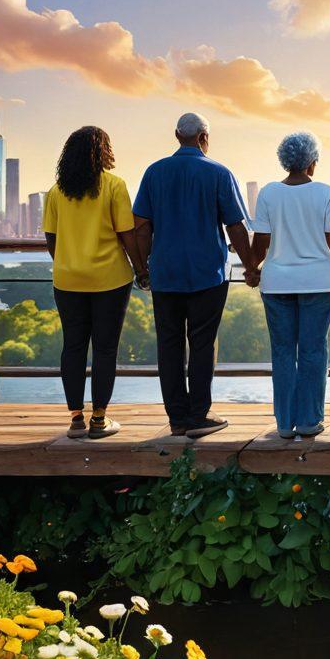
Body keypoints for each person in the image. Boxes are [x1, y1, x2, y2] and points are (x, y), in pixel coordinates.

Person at [133, 112, 255, 438]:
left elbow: (141, 227)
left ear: (176, 135)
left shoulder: (154, 173)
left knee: (169, 345)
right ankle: (198, 416)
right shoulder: (218, 173)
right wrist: (251, 266)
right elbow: (236, 227)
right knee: (202, 344)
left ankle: (177, 419)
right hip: (208, 275)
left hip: (166, 273)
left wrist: (142, 268)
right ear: (204, 137)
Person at [43, 126, 147, 439]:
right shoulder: (115, 186)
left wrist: (67, 262)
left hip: (68, 280)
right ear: (101, 151)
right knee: (105, 349)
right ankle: (99, 420)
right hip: (110, 280)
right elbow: (126, 235)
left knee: (72, 347)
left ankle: (75, 419)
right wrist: (141, 270)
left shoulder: (56, 192)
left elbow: (51, 238)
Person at [249, 132, 330, 439]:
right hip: (319, 281)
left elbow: (260, 242)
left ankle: (284, 423)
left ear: (284, 161)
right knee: (314, 350)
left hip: (276, 282)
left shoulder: (268, 193)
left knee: (283, 351)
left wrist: (252, 269)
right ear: (312, 163)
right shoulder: (327, 193)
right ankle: (309, 420)